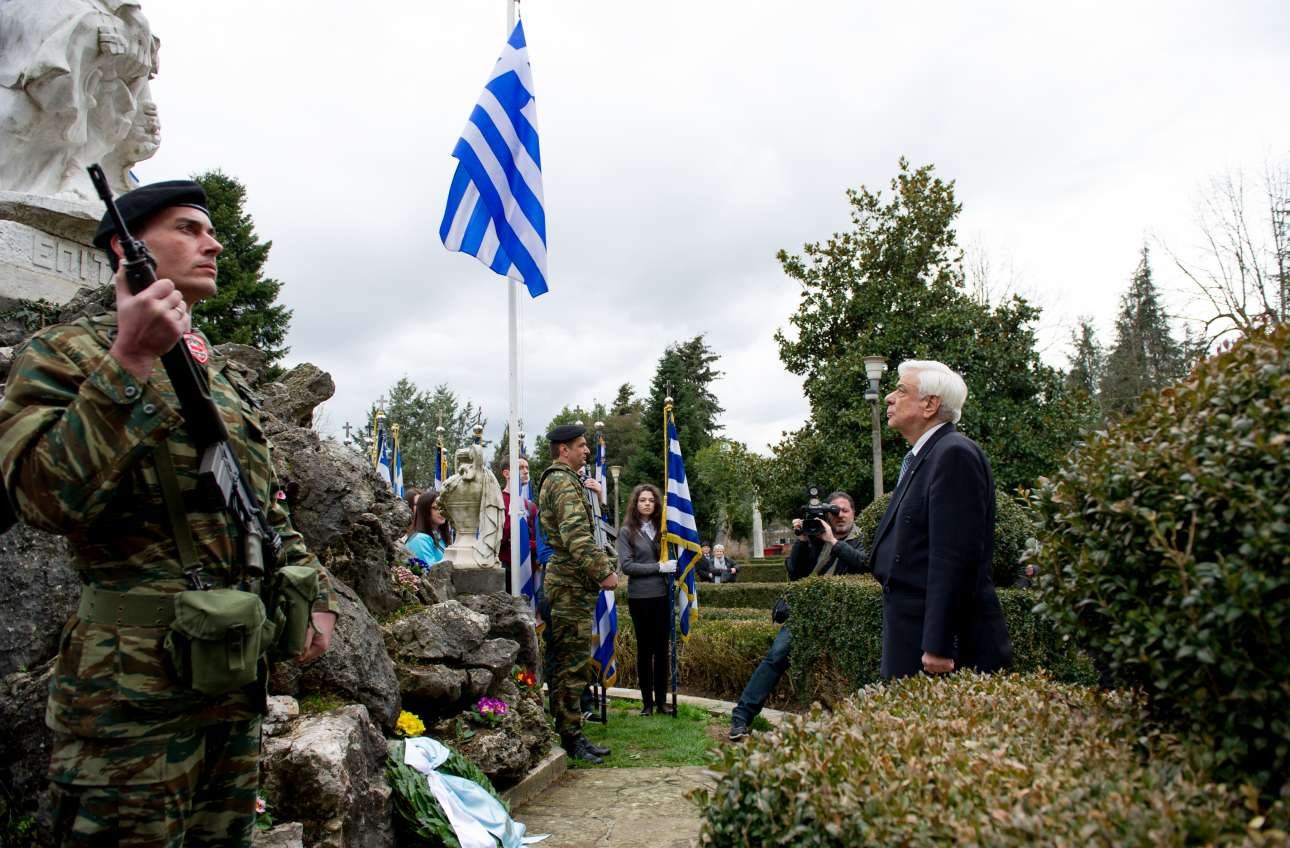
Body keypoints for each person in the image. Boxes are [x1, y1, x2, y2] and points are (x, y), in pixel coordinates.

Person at [0, 180, 338, 845]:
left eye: (210, 230)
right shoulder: (65, 354)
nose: (213, 244)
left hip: (230, 676)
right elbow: (43, 497)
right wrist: (131, 359)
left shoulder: (221, 376)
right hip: (130, 694)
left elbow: (264, 503)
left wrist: (312, 592)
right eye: (188, 228)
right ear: (128, 250)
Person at [868, 360, 1012, 680]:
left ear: (930, 404)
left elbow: (954, 558)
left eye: (901, 391)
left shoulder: (953, 454)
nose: (889, 397)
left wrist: (940, 643)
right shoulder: (926, 456)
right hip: (911, 635)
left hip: (938, 653)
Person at [728, 491, 865, 741]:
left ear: (854, 513)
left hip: (843, 616)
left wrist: (833, 542)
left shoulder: (861, 540)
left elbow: (864, 563)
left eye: (845, 510)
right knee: (776, 656)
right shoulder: (814, 538)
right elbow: (795, 573)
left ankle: (854, 727)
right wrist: (802, 540)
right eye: (834, 511)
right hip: (805, 613)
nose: (840, 516)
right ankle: (740, 718)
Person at [537, 423, 618, 763]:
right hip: (569, 585)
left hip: (570, 583)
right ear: (564, 450)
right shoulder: (561, 481)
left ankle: (569, 731)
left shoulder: (567, 480)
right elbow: (576, 537)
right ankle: (571, 738)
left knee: (567, 663)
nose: (586, 451)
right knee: (571, 666)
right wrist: (604, 572)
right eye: (581, 446)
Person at [616, 484, 676, 716]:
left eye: (651, 500)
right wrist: (659, 567)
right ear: (635, 503)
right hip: (640, 597)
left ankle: (661, 701)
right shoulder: (626, 532)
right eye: (642, 500)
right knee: (644, 650)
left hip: (662, 596)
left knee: (662, 650)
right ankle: (647, 704)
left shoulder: (664, 530)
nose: (647, 504)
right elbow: (627, 566)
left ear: (656, 503)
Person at [498, 457, 537, 582]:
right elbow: (498, 538)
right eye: (520, 468)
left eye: (527, 467)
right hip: (506, 568)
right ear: (506, 473)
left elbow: (538, 538)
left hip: (529, 569)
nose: (526, 471)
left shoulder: (530, 506)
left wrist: (529, 544)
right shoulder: (498, 501)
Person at [405, 489, 450, 566]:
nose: (441, 512)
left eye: (444, 508)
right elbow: (431, 570)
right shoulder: (420, 539)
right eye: (435, 508)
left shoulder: (440, 536)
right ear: (424, 510)